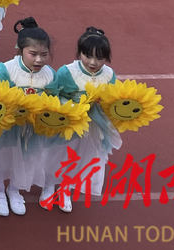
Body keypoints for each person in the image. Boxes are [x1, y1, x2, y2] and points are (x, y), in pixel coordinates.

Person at [0, 18, 58, 218]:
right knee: (0, 157)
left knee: (26, 158)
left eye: (44, 55)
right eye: (33, 54)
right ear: (20, 50)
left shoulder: (50, 75)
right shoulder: (6, 70)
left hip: (32, 130)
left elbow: (53, 101)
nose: (39, 60)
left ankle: (14, 189)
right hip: (7, 128)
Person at [50, 27, 121, 201]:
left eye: (99, 58)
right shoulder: (67, 72)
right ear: (79, 52)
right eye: (87, 55)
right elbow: (55, 96)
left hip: (94, 125)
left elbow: (114, 98)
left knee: (86, 154)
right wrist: (75, 106)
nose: (93, 62)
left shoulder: (109, 74)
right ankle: (49, 184)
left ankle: (67, 186)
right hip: (70, 122)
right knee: (61, 153)